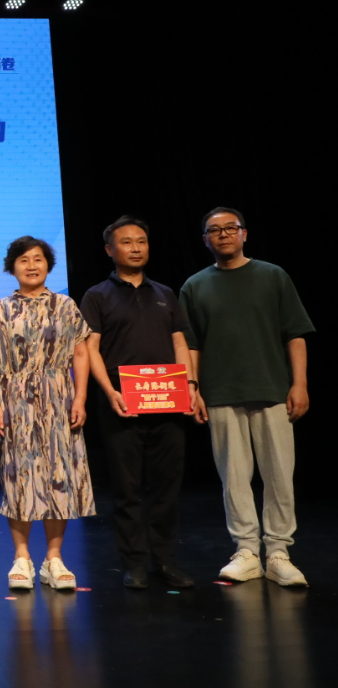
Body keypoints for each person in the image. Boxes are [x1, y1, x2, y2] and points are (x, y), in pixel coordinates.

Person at [180, 207, 314, 586]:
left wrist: (300, 384)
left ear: (244, 233)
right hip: (220, 392)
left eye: (230, 228)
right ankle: (247, 551)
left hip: (272, 389)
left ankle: (279, 552)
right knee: (234, 477)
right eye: (214, 230)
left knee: (279, 474)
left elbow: (294, 333)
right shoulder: (195, 286)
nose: (223, 234)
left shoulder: (273, 276)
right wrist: (193, 388)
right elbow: (191, 345)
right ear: (205, 239)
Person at [80, 217, 198, 590]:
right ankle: (134, 563)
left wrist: (190, 385)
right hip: (122, 401)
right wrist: (108, 391)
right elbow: (90, 348)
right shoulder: (97, 295)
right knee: (127, 488)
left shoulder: (164, 292)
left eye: (142, 241)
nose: (136, 248)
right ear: (109, 250)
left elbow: (179, 341)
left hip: (168, 398)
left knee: (166, 486)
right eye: (127, 242)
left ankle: (165, 560)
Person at [0, 236, 94, 591]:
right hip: (16, 400)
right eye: (23, 260)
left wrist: (80, 398)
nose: (31, 266)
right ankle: (22, 558)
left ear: (48, 265)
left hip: (59, 397)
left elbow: (80, 353)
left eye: (38, 259)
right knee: (19, 475)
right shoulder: (0, 309)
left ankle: (54, 559)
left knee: (60, 474)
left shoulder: (65, 305)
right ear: (12, 267)